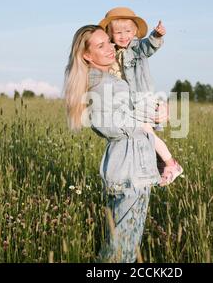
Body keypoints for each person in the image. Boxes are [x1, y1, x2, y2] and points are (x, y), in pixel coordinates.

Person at [63, 25, 165, 262]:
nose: (111, 48)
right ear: (87, 55)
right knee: (121, 254)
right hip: (130, 174)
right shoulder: (104, 84)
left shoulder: (105, 79)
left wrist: (154, 111)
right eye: (101, 46)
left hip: (127, 169)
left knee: (120, 248)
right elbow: (124, 122)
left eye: (108, 42)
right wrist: (156, 111)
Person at [99, 7, 183, 186]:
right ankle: (163, 164)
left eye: (128, 31)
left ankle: (171, 164)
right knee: (144, 135)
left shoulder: (137, 48)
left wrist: (157, 35)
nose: (124, 36)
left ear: (135, 32)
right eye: (118, 32)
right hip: (127, 103)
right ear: (110, 34)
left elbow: (149, 45)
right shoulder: (110, 52)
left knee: (146, 132)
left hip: (141, 99)